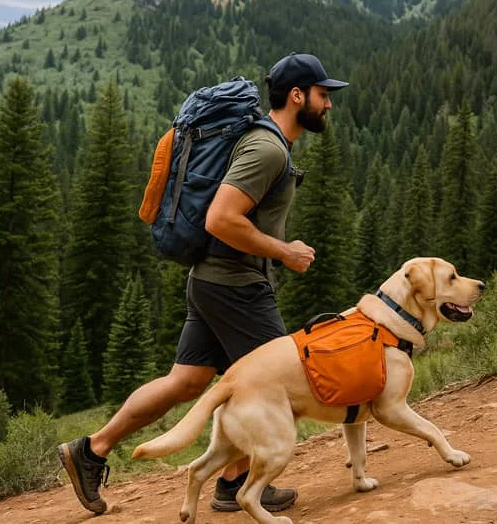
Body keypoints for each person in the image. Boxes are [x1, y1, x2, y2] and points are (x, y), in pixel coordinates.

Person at [58, 52, 348, 515]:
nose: (329, 104)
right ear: (297, 96)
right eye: (322, 94)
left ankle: (90, 451)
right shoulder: (267, 149)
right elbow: (220, 218)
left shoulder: (267, 143)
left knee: (186, 380)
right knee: (279, 383)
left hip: (212, 282)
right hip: (235, 287)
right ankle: (236, 485)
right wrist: (284, 251)